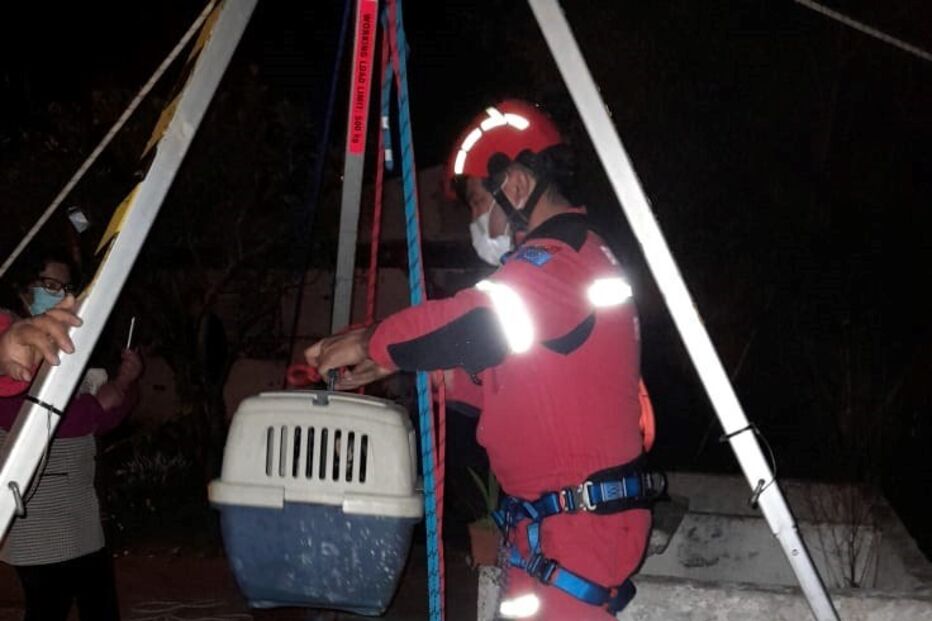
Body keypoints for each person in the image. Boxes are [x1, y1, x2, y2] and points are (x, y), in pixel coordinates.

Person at [306, 100, 660, 619]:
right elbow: (506, 375)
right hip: (551, 530)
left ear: (515, 186)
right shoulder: (567, 265)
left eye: (476, 202)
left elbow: (478, 322)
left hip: (574, 534)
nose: (474, 221)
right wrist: (412, 367)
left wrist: (373, 341)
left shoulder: (560, 262)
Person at [0, 248, 142, 621]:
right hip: (36, 519)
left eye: (64, 286)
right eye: (48, 284)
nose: (58, 293)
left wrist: (127, 382)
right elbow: (39, 415)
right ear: (21, 290)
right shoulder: (10, 341)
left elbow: (106, 418)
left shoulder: (68, 349)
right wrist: (101, 403)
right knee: (47, 610)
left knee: (101, 609)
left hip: (80, 514)